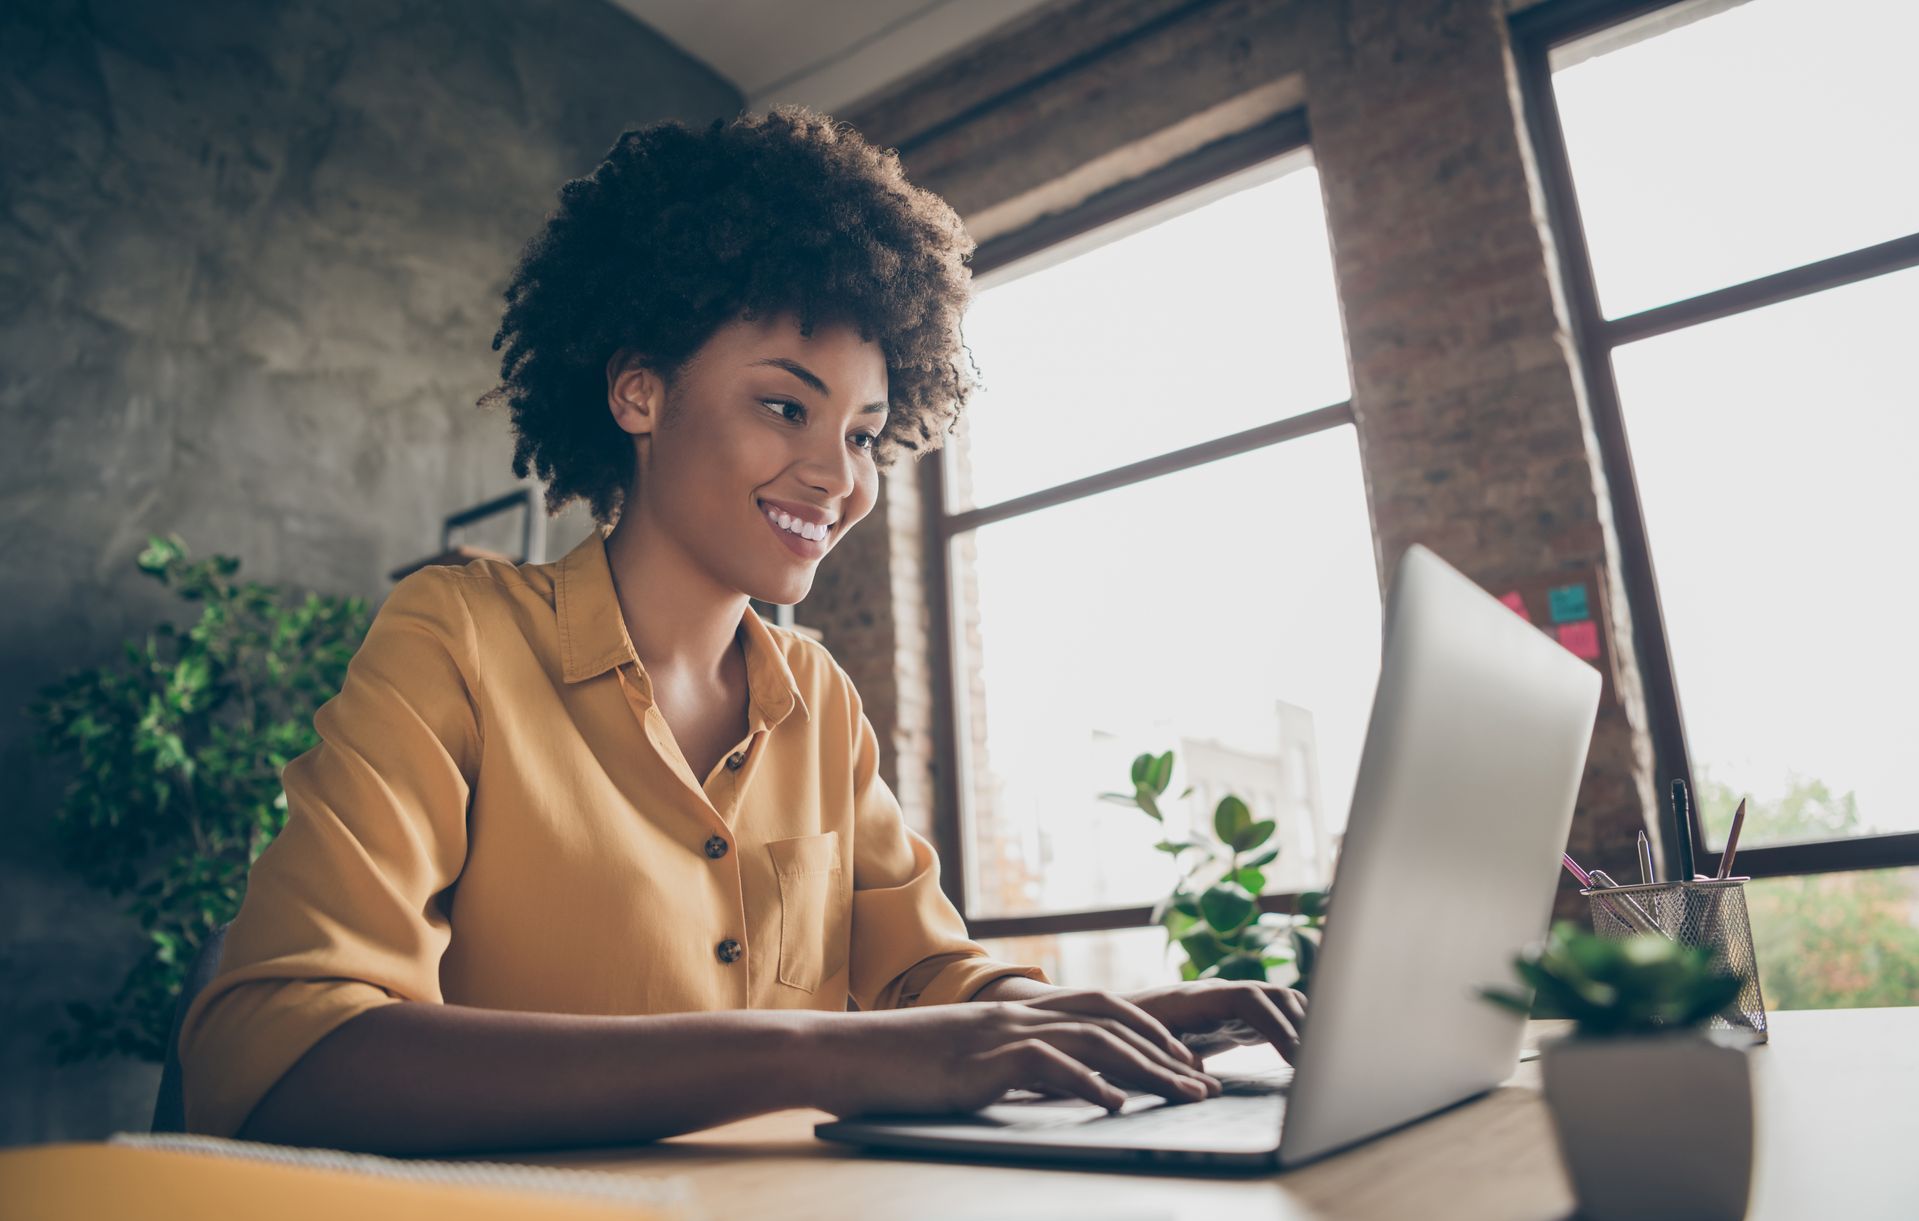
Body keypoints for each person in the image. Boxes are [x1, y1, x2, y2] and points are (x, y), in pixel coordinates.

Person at [178, 106, 1307, 1156]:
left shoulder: (817, 699)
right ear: (639, 395)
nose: (837, 476)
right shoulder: (458, 638)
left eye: (865, 433)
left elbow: (922, 977)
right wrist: (812, 1051)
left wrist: (1095, 1018)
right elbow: (280, 1054)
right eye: (786, 406)